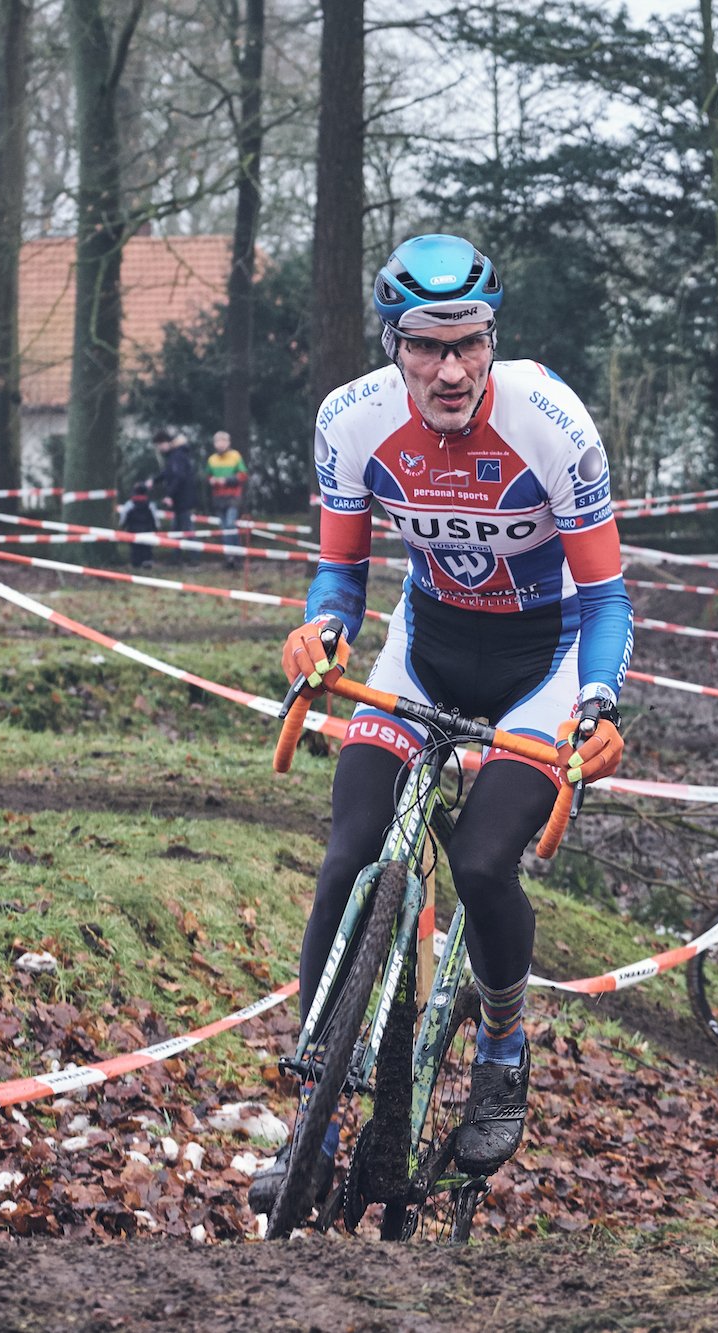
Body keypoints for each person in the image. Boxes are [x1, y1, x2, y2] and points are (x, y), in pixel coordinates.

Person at [252, 234, 632, 1213]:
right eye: (427, 346)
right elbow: (340, 573)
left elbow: (605, 598)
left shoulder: (552, 423)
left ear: (492, 338)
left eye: (469, 343)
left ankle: (502, 1047)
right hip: (422, 650)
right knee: (348, 854)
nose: (451, 368)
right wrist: (322, 632)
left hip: (539, 669)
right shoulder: (352, 420)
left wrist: (597, 702)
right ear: (394, 345)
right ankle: (316, 1116)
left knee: (476, 862)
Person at [149, 429, 197, 561]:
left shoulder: (177, 457)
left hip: (183, 498)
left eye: (159, 445)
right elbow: (167, 473)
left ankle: (193, 557)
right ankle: (178, 557)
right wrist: (154, 480)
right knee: (178, 529)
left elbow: (178, 477)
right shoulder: (174, 457)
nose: (158, 448)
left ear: (166, 443)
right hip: (179, 498)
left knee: (186, 529)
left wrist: (169, 495)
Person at [206, 431, 248, 570]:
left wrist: (227, 480)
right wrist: (211, 480)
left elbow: (243, 475)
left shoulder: (235, 456)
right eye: (218, 442)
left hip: (233, 497)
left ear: (228, 443)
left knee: (230, 525)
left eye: (223, 441)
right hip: (218, 498)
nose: (220, 444)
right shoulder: (212, 459)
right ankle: (229, 557)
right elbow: (207, 476)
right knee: (224, 528)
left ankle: (236, 554)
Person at [117, 481, 157, 568]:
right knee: (147, 547)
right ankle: (147, 562)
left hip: (133, 529)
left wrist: (122, 526)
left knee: (135, 548)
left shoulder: (129, 504)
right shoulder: (150, 504)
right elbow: (155, 518)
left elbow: (124, 517)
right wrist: (156, 528)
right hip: (147, 529)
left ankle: (136, 563)